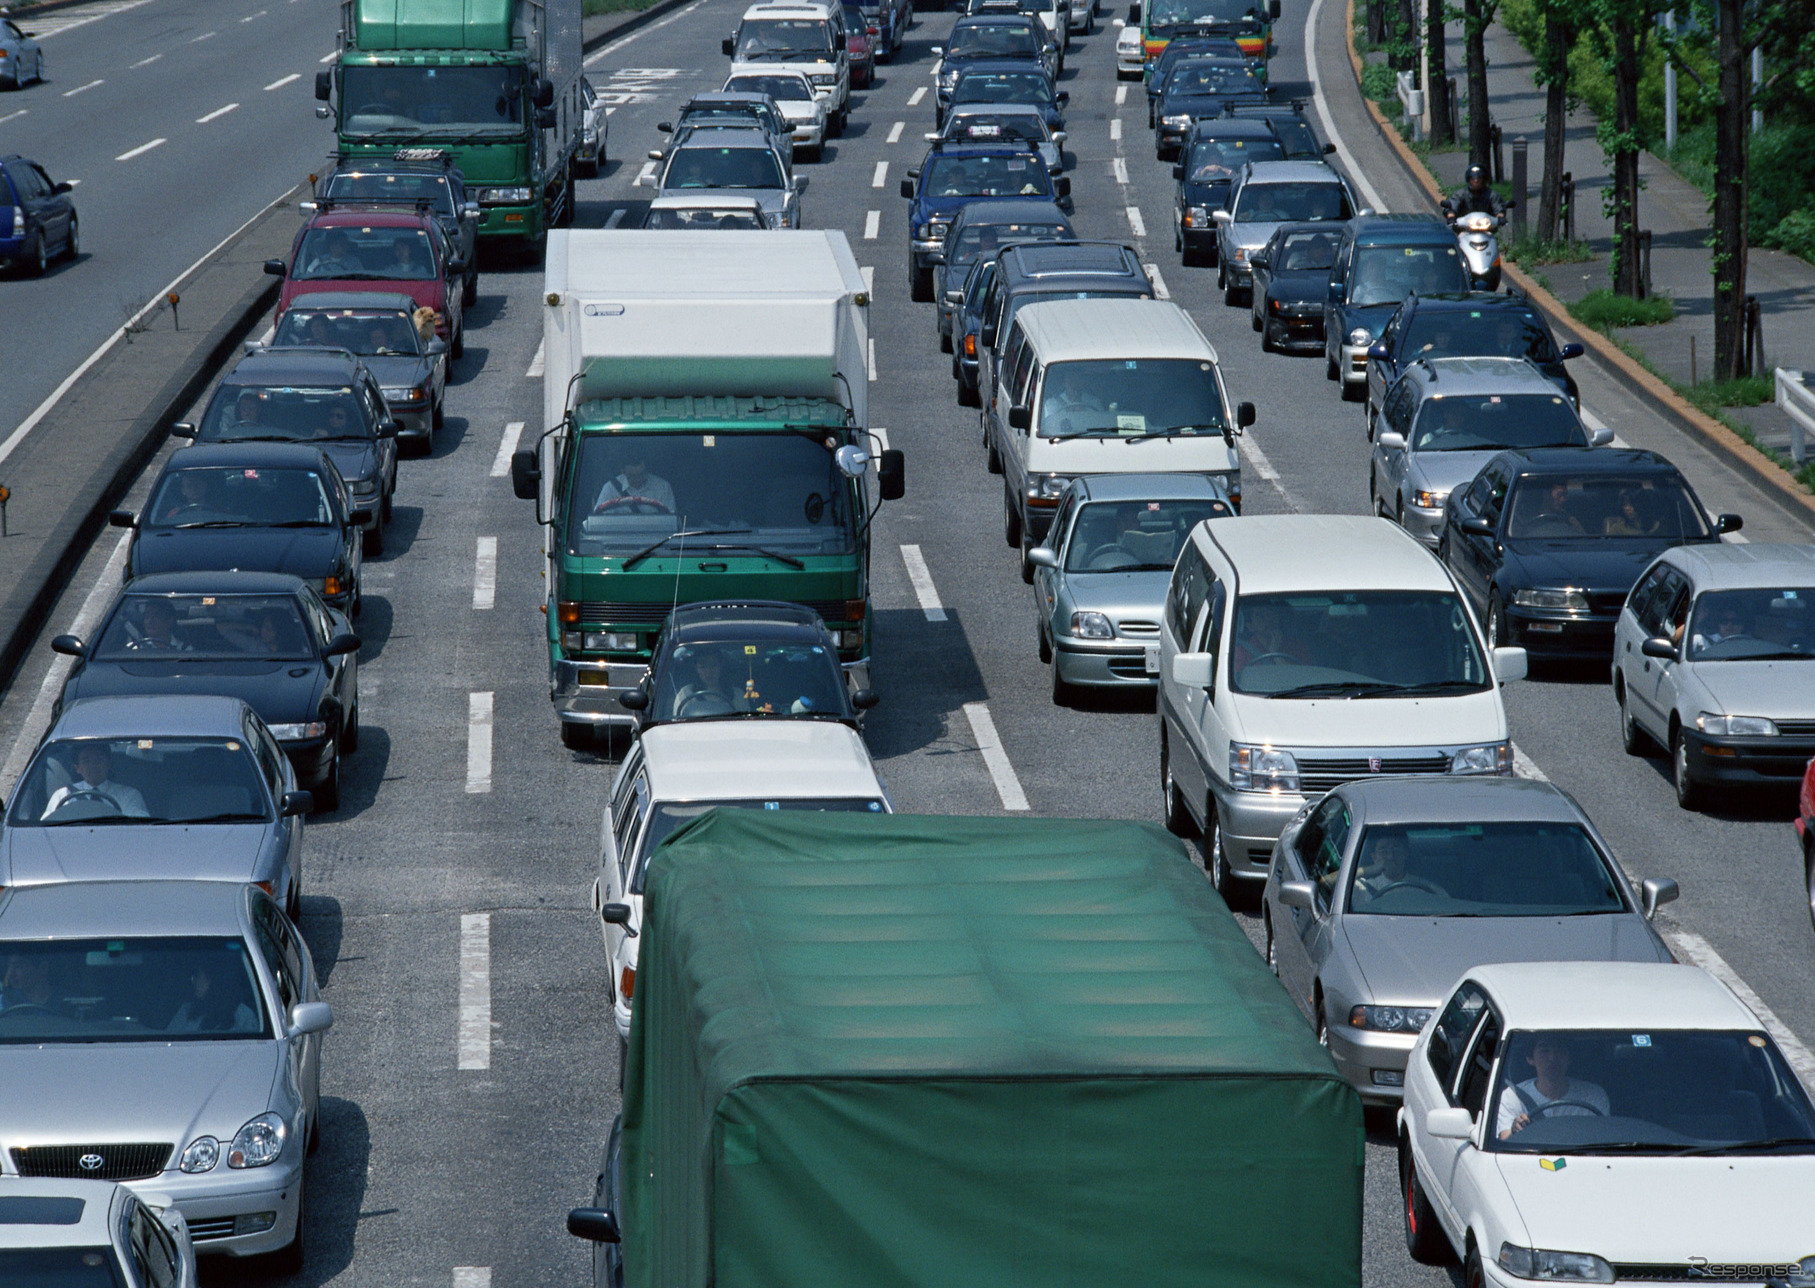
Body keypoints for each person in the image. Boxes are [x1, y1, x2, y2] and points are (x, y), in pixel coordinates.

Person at [1497, 1035, 1611, 1138]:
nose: (1552, 1057)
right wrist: (1515, 1131)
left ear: (1569, 1058)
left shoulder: (1593, 1096)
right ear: (1530, 1059)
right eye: (1544, 1051)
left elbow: (1603, 1139)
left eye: (1559, 1050)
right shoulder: (1512, 1097)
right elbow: (1504, 1139)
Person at [40, 743, 150, 818]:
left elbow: (140, 826)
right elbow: (45, 825)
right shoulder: (63, 795)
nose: (93, 765)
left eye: (99, 759)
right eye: (86, 760)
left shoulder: (128, 795)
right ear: (77, 768)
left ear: (108, 763)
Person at [166, 958, 260, 1034]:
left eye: (197, 976)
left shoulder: (243, 1015)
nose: (193, 981)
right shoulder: (186, 1011)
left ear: (212, 980)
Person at [594, 455, 676, 513]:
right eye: (632, 476)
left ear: (646, 470)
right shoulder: (610, 488)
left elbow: (672, 520)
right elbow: (598, 520)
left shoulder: (663, 487)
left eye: (641, 475)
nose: (638, 480)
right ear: (623, 472)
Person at [1442, 163, 1509, 223]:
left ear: (1484, 180)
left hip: (1487, 227)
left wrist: (1500, 216)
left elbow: (1498, 207)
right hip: (1463, 228)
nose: (1476, 181)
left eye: (1479, 178)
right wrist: (1451, 215)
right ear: (1468, 180)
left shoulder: (1492, 195)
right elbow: (1453, 204)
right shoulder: (1460, 194)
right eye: (1473, 178)